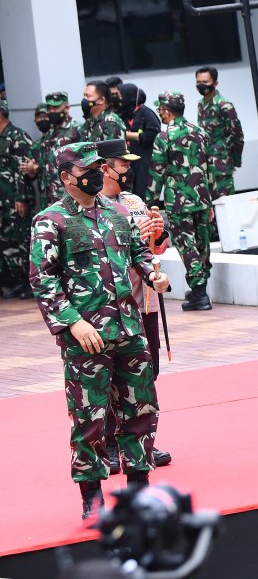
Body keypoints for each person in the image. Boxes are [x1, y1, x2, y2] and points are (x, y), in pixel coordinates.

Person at [29, 141, 169, 518]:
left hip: (129, 328)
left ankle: (139, 489)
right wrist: (73, 322)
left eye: (98, 167)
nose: (97, 174)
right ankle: (92, 496)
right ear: (66, 177)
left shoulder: (118, 212)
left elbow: (139, 254)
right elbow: (42, 281)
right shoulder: (51, 220)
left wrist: (154, 275)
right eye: (87, 170)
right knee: (89, 418)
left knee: (140, 409)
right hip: (86, 336)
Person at [97, 137, 173, 469]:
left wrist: (156, 234)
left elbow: (155, 250)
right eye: (123, 163)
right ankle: (112, 443)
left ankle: (142, 442)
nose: (129, 168)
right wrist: (133, 239)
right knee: (112, 378)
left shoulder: (135, 201)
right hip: (111, 306)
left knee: (145, 375)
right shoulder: (91, 206)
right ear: (104, 168)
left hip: (144, 302)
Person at [147, 92, 214, 312]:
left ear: (166, 111)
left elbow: (157, 171)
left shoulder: (164, 137)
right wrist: (211, 200)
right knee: (203, 245)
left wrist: (151, 201)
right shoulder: (201, 132)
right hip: (203, 198)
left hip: (179, 202)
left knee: (187, 247)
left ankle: (199, 293)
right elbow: (210, 168)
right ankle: (199, 287)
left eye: (160, 110)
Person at [20, 91, 80, 210]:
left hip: (69, 197)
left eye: (56, 107)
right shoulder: (48, 136)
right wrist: (34, 169)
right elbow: (44, 166)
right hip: (47, 198)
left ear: (66, 108)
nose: (52, 111)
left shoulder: (77, 130)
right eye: (49, 108)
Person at [0, 99, 35, 299]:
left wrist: (22, 198)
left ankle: (27, 282)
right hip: (2, 202)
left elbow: (23, 171)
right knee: (6, 244)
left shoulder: (17, 137)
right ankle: (15, 281)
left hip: (15, 201)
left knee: (21, 242)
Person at [195, 67, 244, 202]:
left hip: (221, 164)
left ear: (215, 83)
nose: (201, 85)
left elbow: (237, 135)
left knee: (226, 205)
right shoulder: (201, 103)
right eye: (198, 82)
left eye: (205, 81)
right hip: (205, 165)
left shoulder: (224, 105)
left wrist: (234, 160)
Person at [114, 83, 161, 198]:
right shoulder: (125, 114)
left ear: (128, 96)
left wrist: (129, 135)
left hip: (144, 159)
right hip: (130, 160)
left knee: (142, 190)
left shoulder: (146, 113)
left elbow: (154, 133)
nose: (119, 99)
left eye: (121, 96)